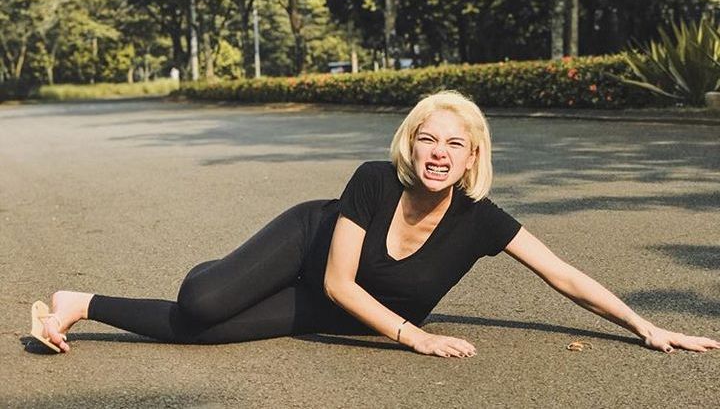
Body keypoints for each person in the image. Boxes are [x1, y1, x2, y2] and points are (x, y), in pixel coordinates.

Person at [30, 91, 719, 357]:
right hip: (314, 248)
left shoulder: (481, 221)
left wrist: (646, 326)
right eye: (428, 139)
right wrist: (414, 336)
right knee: (203, 299)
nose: (438, 154)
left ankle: (77, 302)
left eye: (454, 144)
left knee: (200, 334)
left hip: (335, 306)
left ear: (473, 156)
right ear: (409, 145)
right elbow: (338, 279)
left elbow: (563, 275)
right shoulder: (372, 180)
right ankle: (228, 272)